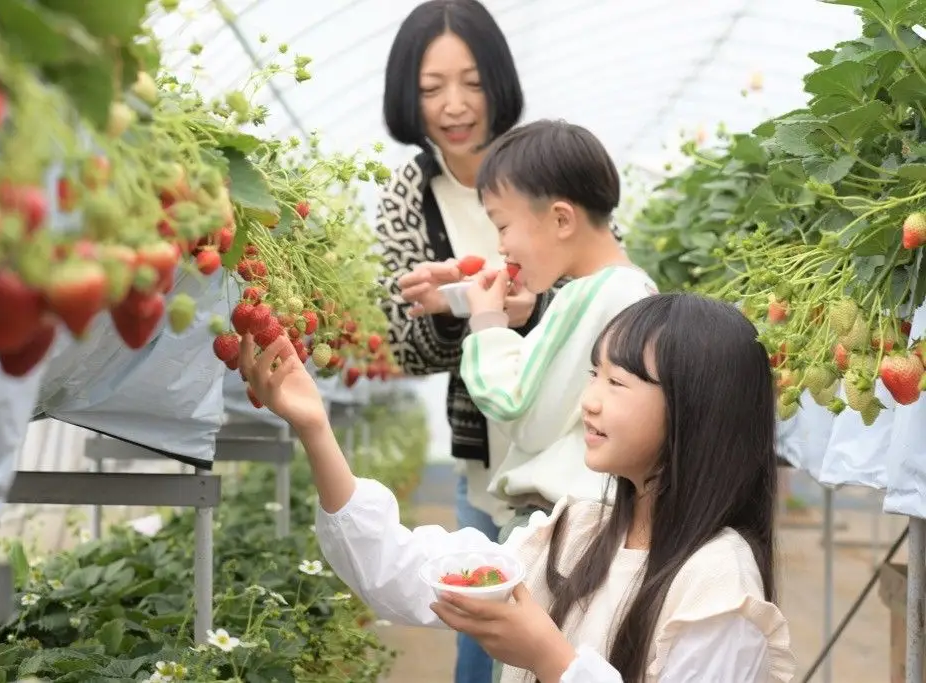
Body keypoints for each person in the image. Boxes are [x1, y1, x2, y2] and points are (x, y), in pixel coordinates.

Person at [239, 292, 794, 682]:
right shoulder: (578, 531)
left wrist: (551, 659)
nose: (590, 400)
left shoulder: (718, 585)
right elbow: (404, 575)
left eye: (617, 382)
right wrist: (314, 427)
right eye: (592, 375)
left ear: (696, 412)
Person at [373, 3, 554, 679]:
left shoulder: (547, 161)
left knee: (570, 625)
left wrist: (529, 306)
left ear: (497, 81)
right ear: (408, 97)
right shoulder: (407, 196)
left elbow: (603, 289)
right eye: (430, 88)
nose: (454, 105)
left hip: (573, 444)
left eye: (472, 81)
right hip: (485, 455)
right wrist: (458, 312)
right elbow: (403, 345)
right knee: (481, 640)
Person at [456, 120, 658, 548]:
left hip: (558, 523)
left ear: (562, 219)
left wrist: (487, 325)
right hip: (600, 518)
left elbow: (521, 413)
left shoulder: (588, 296)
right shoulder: (637, 290)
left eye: (503, 226)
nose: (502, 247)